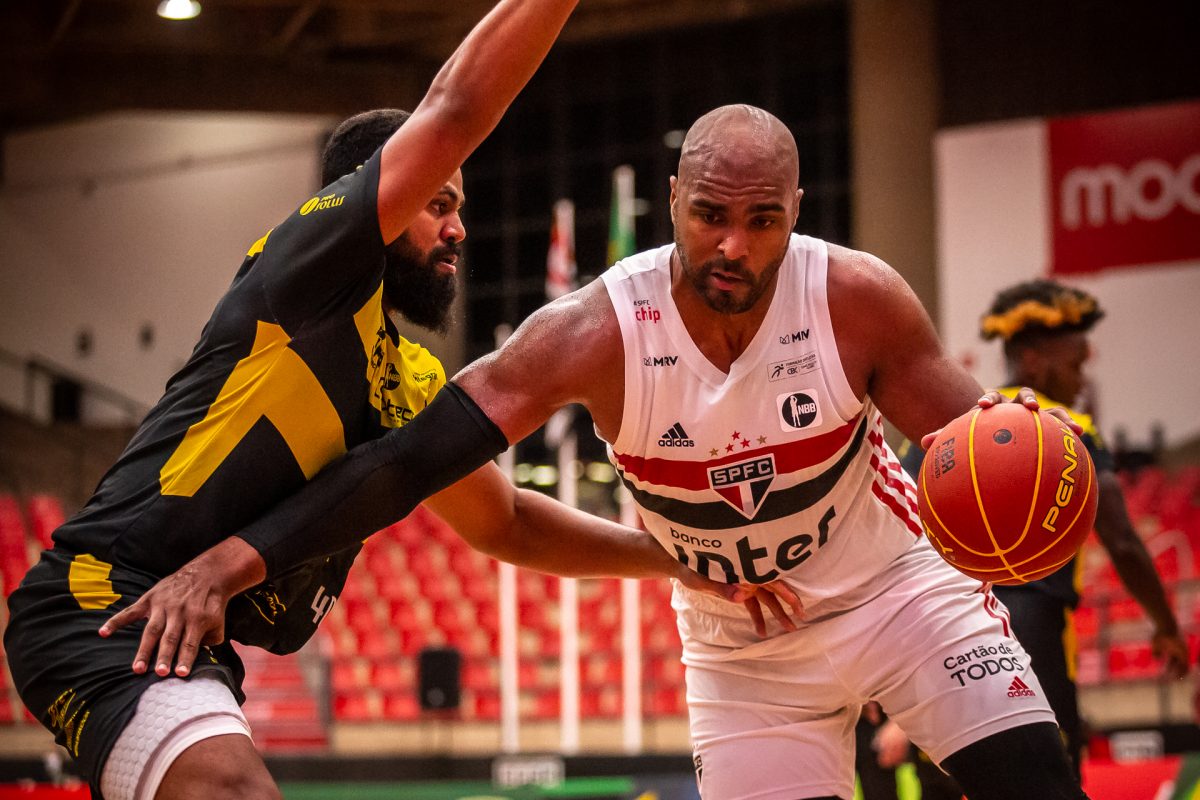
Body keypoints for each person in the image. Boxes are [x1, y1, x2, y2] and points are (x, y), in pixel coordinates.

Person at [104, 105, 1088, 800]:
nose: (734, 247)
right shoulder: (592, 330)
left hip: (892, 590)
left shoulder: (857, 297)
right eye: (711, 214)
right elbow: (413, 462)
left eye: (763, 219)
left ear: (798, 206)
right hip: (740, 644)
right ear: (672, 200)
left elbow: (985, 449)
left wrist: (1049, 479)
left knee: (1035, 783)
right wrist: (241, 554)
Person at [3, 4, 791, 799]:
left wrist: (678, 560)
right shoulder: (309, 269)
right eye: (437, 204)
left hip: (188, 623)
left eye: (459, 206)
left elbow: (508, 522)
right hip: (104, 595)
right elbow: (456, 110)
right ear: (376, 196)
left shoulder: (407, 376)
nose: (458, 229)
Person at [883, 279, 1190, 792]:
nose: (1080, 377)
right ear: (1032, 358)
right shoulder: (1063, 428)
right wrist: (1164, 625)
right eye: (1073, 364)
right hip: (1032, 636)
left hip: (941, 637)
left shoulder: (946, 424)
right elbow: (1123, 542)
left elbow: (893, 530)